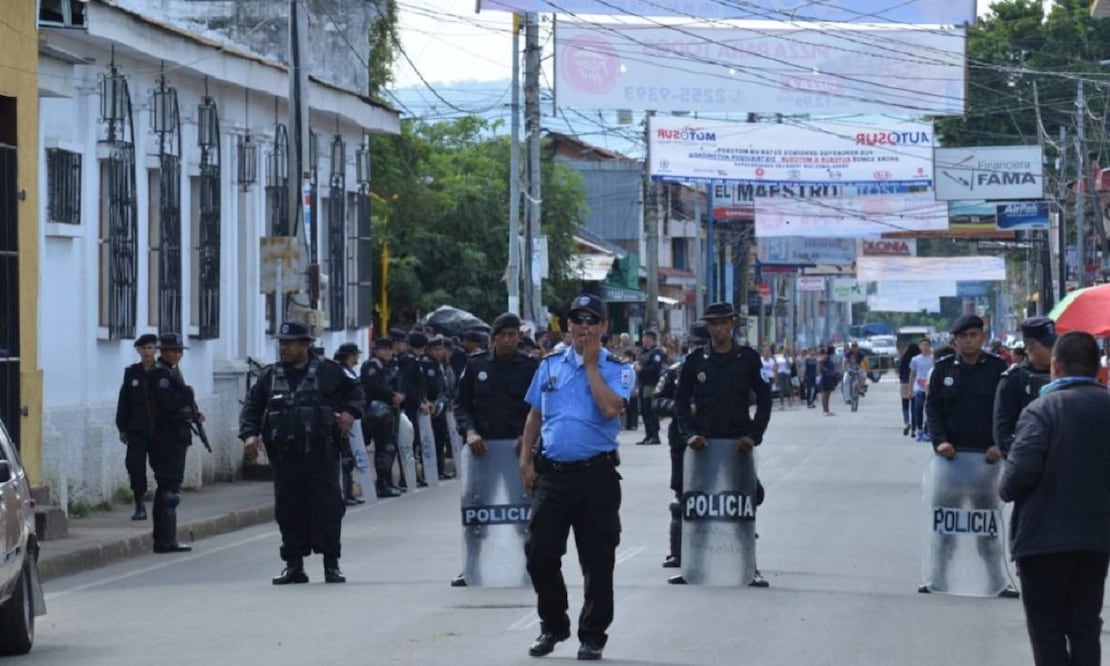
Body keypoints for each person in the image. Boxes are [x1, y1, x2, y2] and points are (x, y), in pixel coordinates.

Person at [518, 293, 633, 661]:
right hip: (553, 475)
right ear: (567, 326)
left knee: (598, 559)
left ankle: (593, 633)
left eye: (591, 321)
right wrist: (525, 460)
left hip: (595, 476)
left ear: (603, 327)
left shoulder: (618, 368)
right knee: (539, 553)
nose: (583, 327)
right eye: (577, 321)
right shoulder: (549, 365)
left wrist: (590, 366)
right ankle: (553, 624)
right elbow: (535, 414)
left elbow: (610, 408)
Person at [1000, 331, 1110, 666]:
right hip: (1096, 539)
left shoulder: (1041, 410)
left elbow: (1016, 479)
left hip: (1043, 540)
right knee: (1085, 626)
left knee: (1047, 630)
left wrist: (1005, 485)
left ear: (1056, 365)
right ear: (1097, 368)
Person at [239, 320, 365, 585]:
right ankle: (294, 565)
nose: (284, 348)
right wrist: (250, 435)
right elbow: (252, 407)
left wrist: (349, 413)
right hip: (285, 457)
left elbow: (356, 392)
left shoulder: (330, 371)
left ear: (305, 345)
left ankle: (332, 564)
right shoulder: (270, 376)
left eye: (289, 343)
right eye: (281, 343)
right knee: (288, 510)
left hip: (321, 453)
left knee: (327, 509)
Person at [672, 302, 773, 587]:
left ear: (733, 325)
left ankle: (748, 567)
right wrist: (688, 434)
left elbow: (765, 398)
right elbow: (680, 401)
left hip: (737, 443)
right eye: (714, 324)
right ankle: (691, 564)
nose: (720, 329)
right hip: (703, 445)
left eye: (725, 323)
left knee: (743, 504)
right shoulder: (695, 361)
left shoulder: (748, 359)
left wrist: (754, 435)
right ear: (708, 327)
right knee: (695, 504)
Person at [922, 314, 1015, 597]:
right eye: (962, 336)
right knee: (945, 524)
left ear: (982, 337)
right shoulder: (943, 369)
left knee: (986, 526)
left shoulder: (998, 369)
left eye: (973, 335)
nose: (968, 340)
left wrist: (1000, 445)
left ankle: (996, 581)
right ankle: (937, 578)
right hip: (951, 460)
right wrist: (939, 441)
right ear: (955, 340)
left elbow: (1008, 412)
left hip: (987, 462)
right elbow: (933, 409)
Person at [451, 312, 539, 587]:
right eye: (504, 335)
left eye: (514, 335)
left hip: (517, 452)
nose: (510, 340)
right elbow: (461, 405)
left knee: (523, 513)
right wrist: (470, 431)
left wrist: (527, 439)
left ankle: (529, 569)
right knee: (477, 512)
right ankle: (471, 568)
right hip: (483, 452)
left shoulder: (530, 367)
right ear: (493, 338)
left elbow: (539, 409)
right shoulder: (476, 366)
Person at [651, 320, 709, 570]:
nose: (697, 348)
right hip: (683, 442)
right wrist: (681, 408)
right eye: (694, 343)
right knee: (683, 496)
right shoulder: (675, 371)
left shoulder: (725, 369)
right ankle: (678, 552)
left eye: (702, 344)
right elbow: (656, 402)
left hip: (718, 441)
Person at [145, 333, 202, 553]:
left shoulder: (171, 372)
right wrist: (186, 397)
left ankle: (165, 538)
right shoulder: (161, 375)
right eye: (172, 350)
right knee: (169, 491)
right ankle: (165, 540)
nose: (177, 354)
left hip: (174, 436)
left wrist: (192, 414)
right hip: (166, 438)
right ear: (163, 352)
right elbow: (169, 406)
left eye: (179, 351)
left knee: (169, 488)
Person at [993, 317, 1054, 458]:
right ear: (1030, 347)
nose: (1054, 349)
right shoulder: (1014, 379)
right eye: (1048, 345)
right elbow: (1003, 432)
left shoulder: (1063, 373)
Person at [115, 333, 159, 520]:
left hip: (159, 429)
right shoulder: (132, 373)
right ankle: (139, 503)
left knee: (161, 466)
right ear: (138, 351)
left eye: (150, 348)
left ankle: (163, 500)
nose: (147, 352)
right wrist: (122, 427)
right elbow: (123, 401)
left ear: (155, 350)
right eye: (143, 348)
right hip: (137, 429)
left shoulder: (163, 372)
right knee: (135, 466)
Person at [359, 337, 403, 498]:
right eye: (383, 349)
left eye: (389, 349)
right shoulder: (372, 366)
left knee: (390, 448)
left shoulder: (392, 366)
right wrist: (392, 395)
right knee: (384, 448)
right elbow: (374, 387)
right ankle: (382, 484)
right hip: (376, 413)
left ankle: (388, 481)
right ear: (376, 351)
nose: (387, 353)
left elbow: (400, 384)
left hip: (391, 411)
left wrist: (400, 396)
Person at [334, 343, 368, 505]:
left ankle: (348, 492)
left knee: (349, 458)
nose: (357, 358)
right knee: (345, 459)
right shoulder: (341, 372)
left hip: (351, 418)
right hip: (342, 420)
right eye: (355, 355)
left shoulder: (349, 372)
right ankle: (344, 493)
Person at [636, 330, 665, 445]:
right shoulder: (644, 352)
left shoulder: (656, 353)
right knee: (644, 411)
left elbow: (656, 369)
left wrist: (642, 370)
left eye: (645, 338)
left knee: (650, 411)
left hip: (651, 385)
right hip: (643, 384)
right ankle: (648, 435)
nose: (643, 340)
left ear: (651, 339)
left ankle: (655, 435)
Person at [907, 340, 933, 441]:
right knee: (918, 408)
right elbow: (912, 374)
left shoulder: (933, 358)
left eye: (927, 345)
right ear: (920, 347)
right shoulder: (915, 359)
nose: (925, 347)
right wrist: (910, 390)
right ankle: (919, 430)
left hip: (931, 387)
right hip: (919, 387)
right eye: (923, 345)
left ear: (930, 346)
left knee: (929, 410)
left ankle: (928, 430)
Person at [897, 342, 920, 436]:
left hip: (904, 383)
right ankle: (914, 426)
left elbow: (900, 370)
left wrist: (902, 380)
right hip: (915, 383)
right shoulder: (917, 359)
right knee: (914, 406)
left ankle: (907, 422)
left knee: (905, 404)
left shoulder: (904, 358)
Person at [817, 345, 838, 416]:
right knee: (825, 393)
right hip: (826, 377)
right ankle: (824, 410)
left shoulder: (830, 357)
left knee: (828, 393)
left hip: (830, 377)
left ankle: (827, 409)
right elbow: (820, 363)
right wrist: (825, 370)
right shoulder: (826, 357)